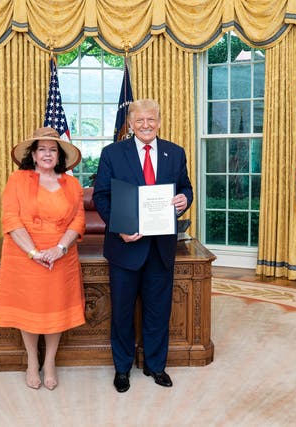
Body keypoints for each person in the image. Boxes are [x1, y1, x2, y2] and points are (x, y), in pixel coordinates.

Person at [92, 99, 193, 393]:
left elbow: (185, 187)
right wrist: (120, 227)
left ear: (159, 121)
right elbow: (102, 196)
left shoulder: (175, 153)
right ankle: (122, 368)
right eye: (139, 121)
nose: (146, 125)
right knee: (122, 313)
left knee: (158, 311)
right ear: (131, 124)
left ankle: (155, 365)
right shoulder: (112, 153)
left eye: (151, 120)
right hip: (124, 248)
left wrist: (185, 200)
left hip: (161, 248)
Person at [0, 126, 86, 391]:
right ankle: (32, 361)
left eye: (52, 150)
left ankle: (50, 362)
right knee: (29, 311)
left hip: (60, 256)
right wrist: (33, 252)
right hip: (24, 256)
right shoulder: (17, 180)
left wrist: (60, 248)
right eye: (42, 149)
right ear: (33, 155)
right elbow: (10, 219)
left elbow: (78, 220)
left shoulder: (72, 184)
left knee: (55, 308)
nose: (47, 154)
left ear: (59, 156)